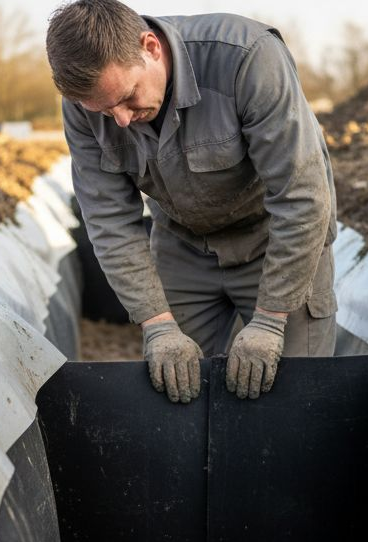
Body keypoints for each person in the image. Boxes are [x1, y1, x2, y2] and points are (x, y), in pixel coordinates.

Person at [46, 0, 337, 402]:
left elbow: (302, 197)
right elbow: (109, 222)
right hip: (183, 243)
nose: (122, 120)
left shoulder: (246, 58)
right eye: (104, 110)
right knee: (175, 387)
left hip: (276, 240)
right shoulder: (84, 105)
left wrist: (271, 319)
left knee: (294, 397)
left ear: (150, 47)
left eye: (129, 97)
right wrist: (157, 325)